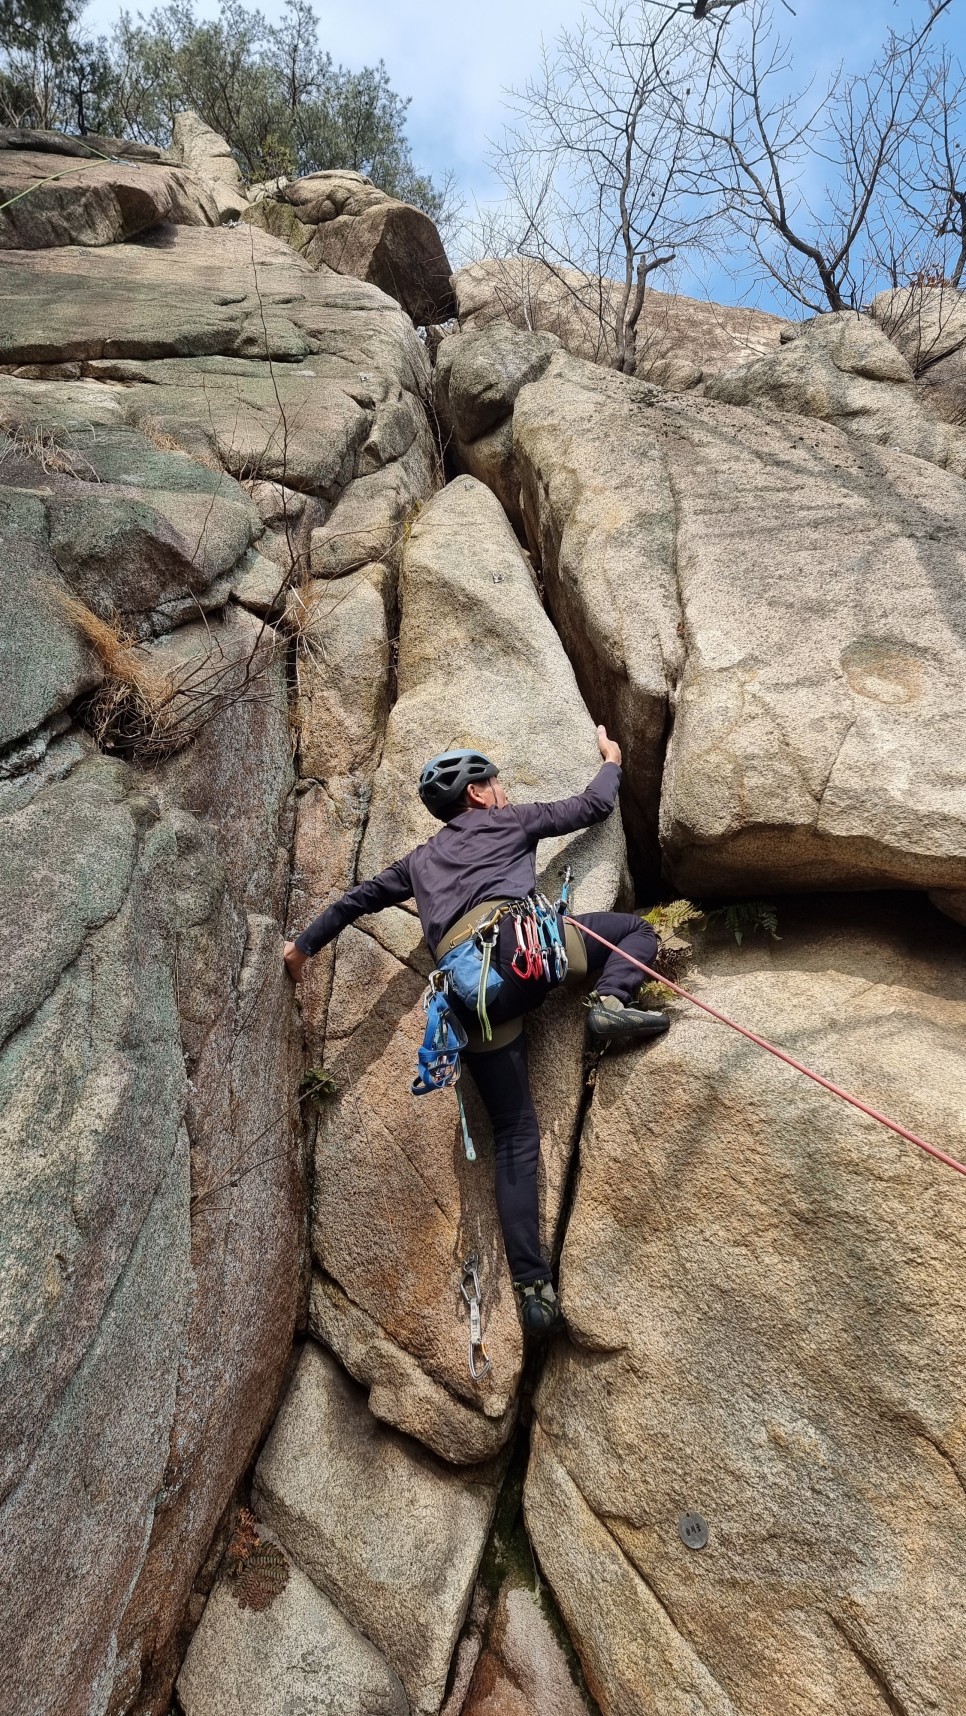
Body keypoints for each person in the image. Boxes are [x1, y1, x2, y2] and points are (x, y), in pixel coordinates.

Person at [284, 726, 668, 1337]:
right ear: (480, 794)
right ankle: (608, 1002)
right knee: (635, 934)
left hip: (469, 998)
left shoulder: (418, 863)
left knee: (514, 1133)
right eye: (495, 781)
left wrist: (302, 948)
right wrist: (612, 761)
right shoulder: (507, 822)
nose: (502, 789)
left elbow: (356, 900)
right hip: (524, 950)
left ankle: (533, 1288)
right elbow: (593, 807)